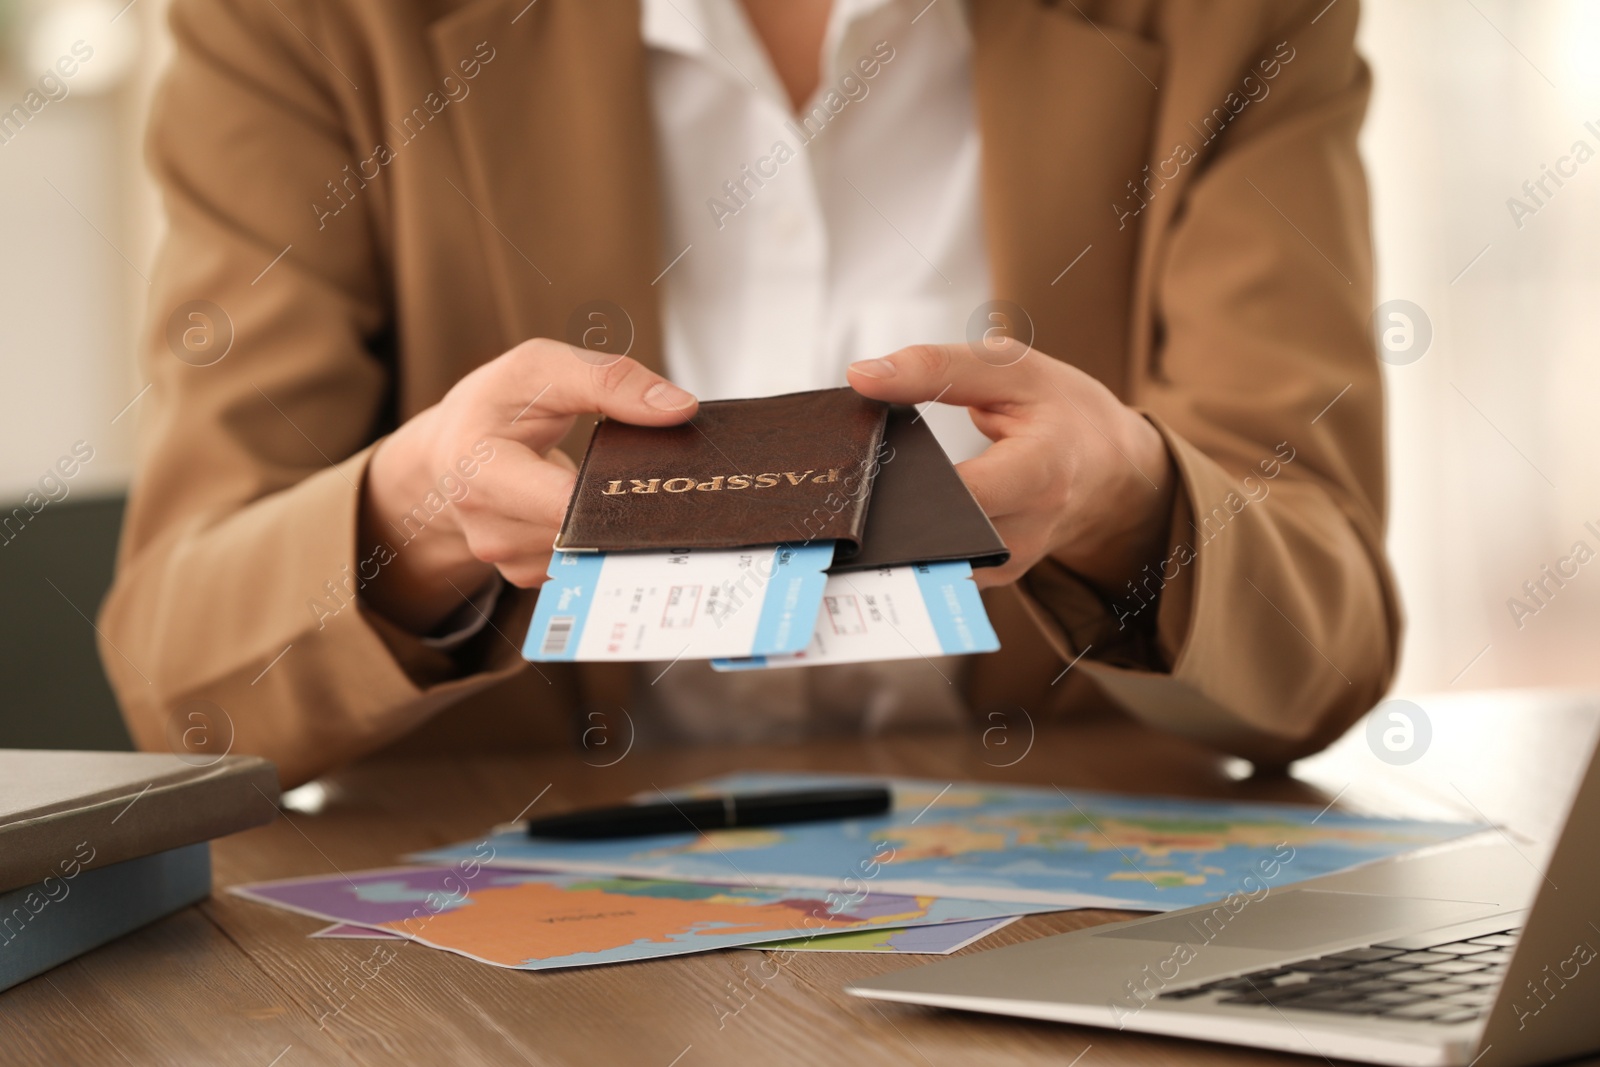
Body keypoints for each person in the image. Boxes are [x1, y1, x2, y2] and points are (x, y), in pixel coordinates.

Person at [100, 0, 1398, 788]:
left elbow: (1327, 646)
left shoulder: (1239, 24)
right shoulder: (295, 25)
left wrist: (1131, 502)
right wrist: (415, 519)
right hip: (519, 954)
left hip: (1072, 921)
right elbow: (181, 680)